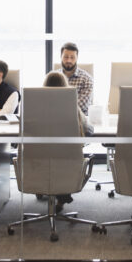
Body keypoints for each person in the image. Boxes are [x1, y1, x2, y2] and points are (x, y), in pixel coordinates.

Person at [43, 70, 93, 211]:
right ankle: (61, 198)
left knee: (51, 158)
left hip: (38, 160)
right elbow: (88, 130)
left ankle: (53, 193)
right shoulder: (72, 108)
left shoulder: (34, 107)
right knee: (62, 157)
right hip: (68, 162)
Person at [58, 42, 93, 116]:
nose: (69, 61)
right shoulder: (52, 77)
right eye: (66, 57)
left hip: (79, 120)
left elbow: (81, 105)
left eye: (72, 57)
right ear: (61, 56)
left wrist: (57, 107)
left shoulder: (86, 79)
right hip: (56, 118)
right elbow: (47, 101)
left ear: (77, 58)